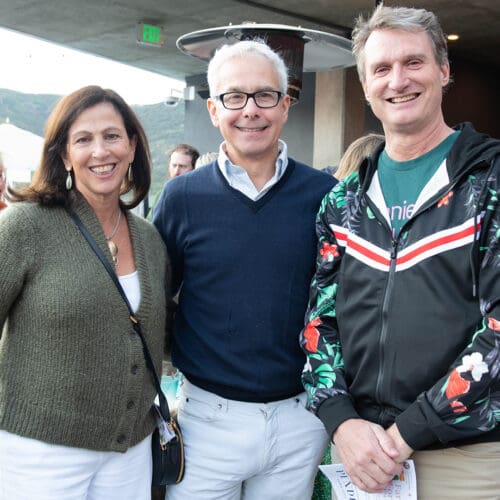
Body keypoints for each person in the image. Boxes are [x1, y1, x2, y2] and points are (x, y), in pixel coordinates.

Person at [300, 4, 500, 499]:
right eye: (381, 69)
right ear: (366, 86)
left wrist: (407, 432)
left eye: (414, 62)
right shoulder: (341, 202)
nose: (398, 80)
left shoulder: (489, 182)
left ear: (443, 71)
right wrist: (341, 422)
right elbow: (318, 326)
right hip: (363, 459)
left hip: (467, 460)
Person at [153, 40, 336, 500]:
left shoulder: (325, 196)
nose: (250, 110)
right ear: (214, 110)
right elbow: (157, 300)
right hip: (206, 423)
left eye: (264, 95)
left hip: (300, 420)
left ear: (286, 104)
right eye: (234, 97)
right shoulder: (182, 199)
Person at [0, 85, 173, 500]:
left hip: (129, 454)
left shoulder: (150, 241)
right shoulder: (26, 226)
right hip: (41, 455)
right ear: (63, 155)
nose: (101, 151)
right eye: (83, 139)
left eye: (112, 136)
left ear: (132, 147)